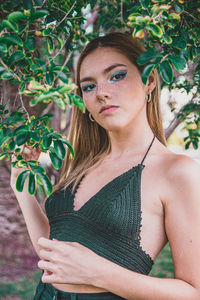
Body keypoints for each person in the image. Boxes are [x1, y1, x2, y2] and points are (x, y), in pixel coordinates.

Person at [10, 32, 200, 300]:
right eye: (89, 86)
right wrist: (21, 186)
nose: (102, 93)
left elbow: (193, 292)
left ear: (150, 81)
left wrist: (99, 272)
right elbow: (55, 259)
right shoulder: (81, 165)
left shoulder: (176, 172)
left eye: (117, 75)